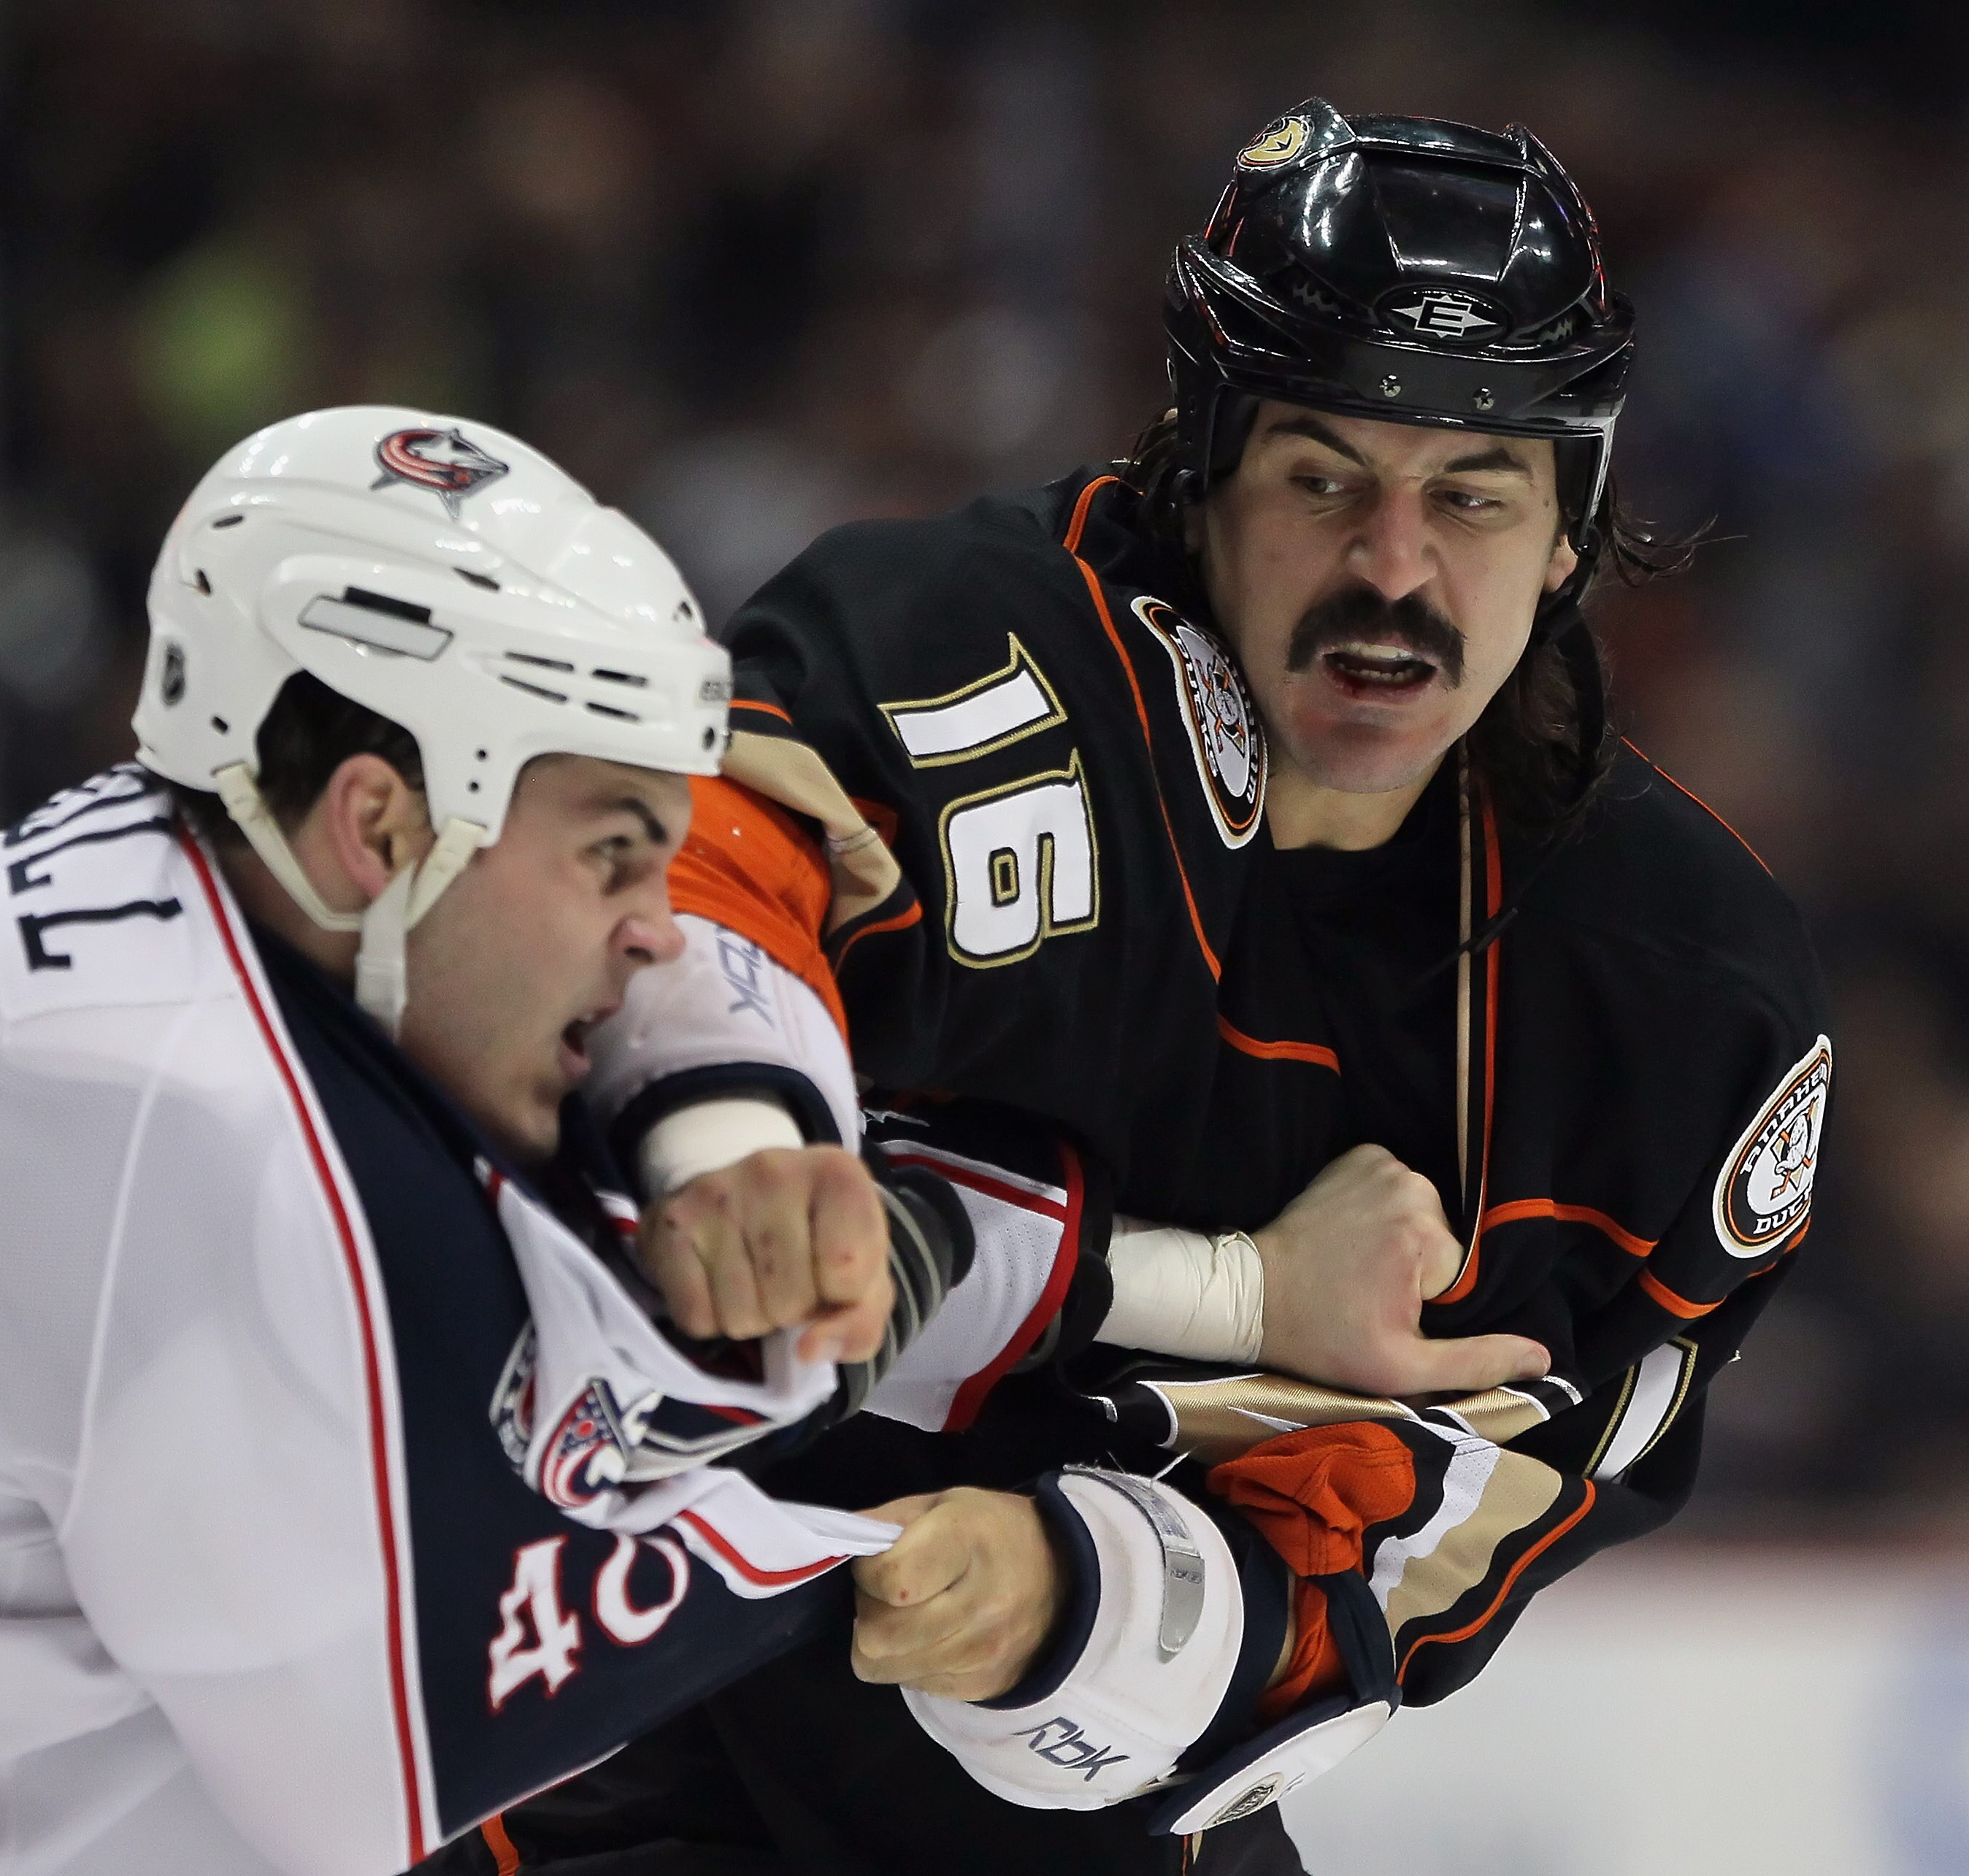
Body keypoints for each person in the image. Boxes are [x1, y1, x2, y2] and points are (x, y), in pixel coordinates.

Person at [469, 101, 1832, 1875]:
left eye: (1475, 496)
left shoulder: (1680, 1009)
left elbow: (1462, 1532)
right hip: (613, 1706)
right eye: (1325, 477)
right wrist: (726, 1119)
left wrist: (1086, 1599)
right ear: (1205, 473)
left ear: (1571, 534)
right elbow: (703, 869)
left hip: (1090, 1805)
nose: (1396, 571)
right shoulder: (982, 658)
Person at [0, 407, 986, 1875]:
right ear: (378, 820)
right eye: (614, 848)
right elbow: (399, 1759)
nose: (655, 929)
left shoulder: (178, 892)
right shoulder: (220, 1146)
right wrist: (919, 1556)